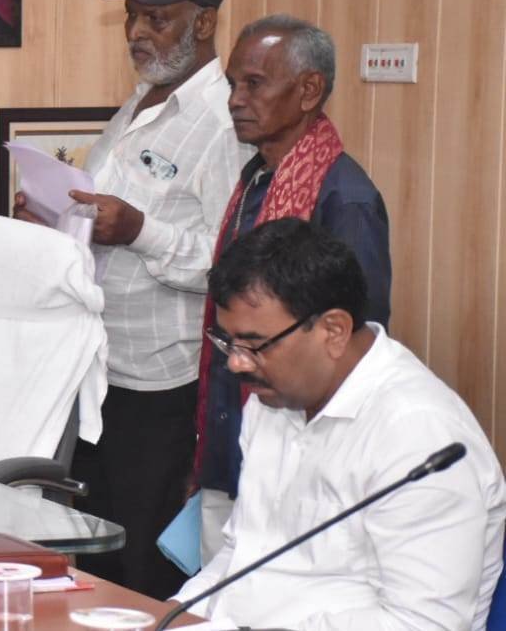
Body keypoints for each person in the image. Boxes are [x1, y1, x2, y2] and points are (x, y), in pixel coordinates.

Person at [17, 0, 247, 598]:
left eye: (156, 19)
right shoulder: (143, 101)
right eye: (130, 17)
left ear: (204, 23)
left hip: (162, 384)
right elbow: (103, 216)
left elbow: (229, 260)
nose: (136, 33)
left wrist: (139, 229)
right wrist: (55, 218)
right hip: (99, 367)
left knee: (145, 566)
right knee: (96, 556)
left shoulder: (222, 122)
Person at [175, 218, 504, 629]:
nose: (237, 363)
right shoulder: (274, 397)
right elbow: (241, 554)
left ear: (333, 330)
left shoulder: (418, 435)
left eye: (255, 345)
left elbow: (424, 623)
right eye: (229, 342)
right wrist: (173, 615)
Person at [193, 14, 393, 557]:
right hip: (233, 438)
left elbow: (354, 345)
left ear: (309, 90)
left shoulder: (345, 199)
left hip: (302, 462)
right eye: (233, 83)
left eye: (254, 84)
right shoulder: (255, 178)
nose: (235, 99)